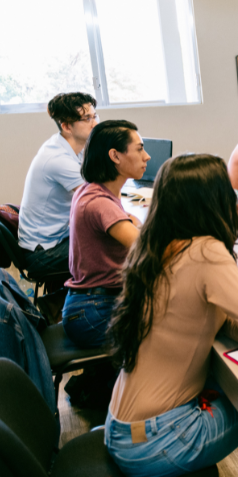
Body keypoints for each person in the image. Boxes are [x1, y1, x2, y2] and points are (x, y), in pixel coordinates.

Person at [105, 154, 238, 477]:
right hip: (157, 442)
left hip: (122, 429)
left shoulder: (153, 245)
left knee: (229, 385)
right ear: (214, 200)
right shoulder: (207, 251)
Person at [62, 120, 145, 348]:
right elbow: (149, 248)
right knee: (178, 329)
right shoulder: (100, 203)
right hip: (95, 313)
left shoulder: (93, 190)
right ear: (115, 156)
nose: (146, 157)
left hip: (89, 305)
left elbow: (132, 221)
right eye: (139, 149)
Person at [18, 92, 98, 279]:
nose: (95, 123)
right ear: (66, 126)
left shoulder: (70, 147)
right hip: (43, 253)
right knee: (113, 249)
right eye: (87, 118)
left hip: (58, 237)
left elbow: (95, 182)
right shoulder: (58, 159)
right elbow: (94, 200)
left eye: (95, 116)